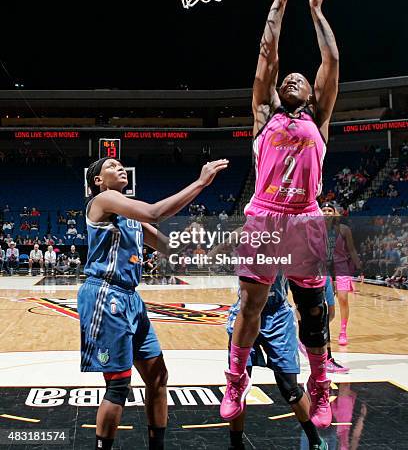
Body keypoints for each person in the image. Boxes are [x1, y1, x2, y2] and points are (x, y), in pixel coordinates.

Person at [220, 0, 339, 429]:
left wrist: (314, 10)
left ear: (312, 95)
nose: (292, 77)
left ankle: (321, 386)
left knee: (312, 310)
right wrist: (279, 5)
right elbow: (267, 57)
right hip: (265, 217)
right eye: (287, 78)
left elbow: (330, 57)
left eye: (300, 78)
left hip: (305, 217)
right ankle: (236, 379)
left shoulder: (319, 118)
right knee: (250, 305)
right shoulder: (265, 114)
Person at [78, 155, 228, 450]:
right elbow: (155, 212)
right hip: (105, 296)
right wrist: (200, 183)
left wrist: (190, 237)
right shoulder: (103, 200)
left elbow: (168, 248)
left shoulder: (131, 216)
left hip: (131, 298)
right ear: (97, 181)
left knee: (158, 377)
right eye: (110, 166)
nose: (119, 167)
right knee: (119, 385)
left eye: (121, 164)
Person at [227, 275, 327, 450]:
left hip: (278, 315)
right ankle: (236, 445)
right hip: (246, 311)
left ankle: (315, 440)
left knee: (290, 387)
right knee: (238, 385)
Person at [322, 202, 361, 346]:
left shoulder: (344, 229)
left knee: (343, 298)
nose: (326, 212)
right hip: (323, 268)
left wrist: (359, 269)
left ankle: (343, 331)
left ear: (334, 213)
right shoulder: (315, 229)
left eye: (329, 210)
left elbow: (351, 250)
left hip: (341, 267)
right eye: (324, 210)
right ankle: (320, 331)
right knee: (323, 303)